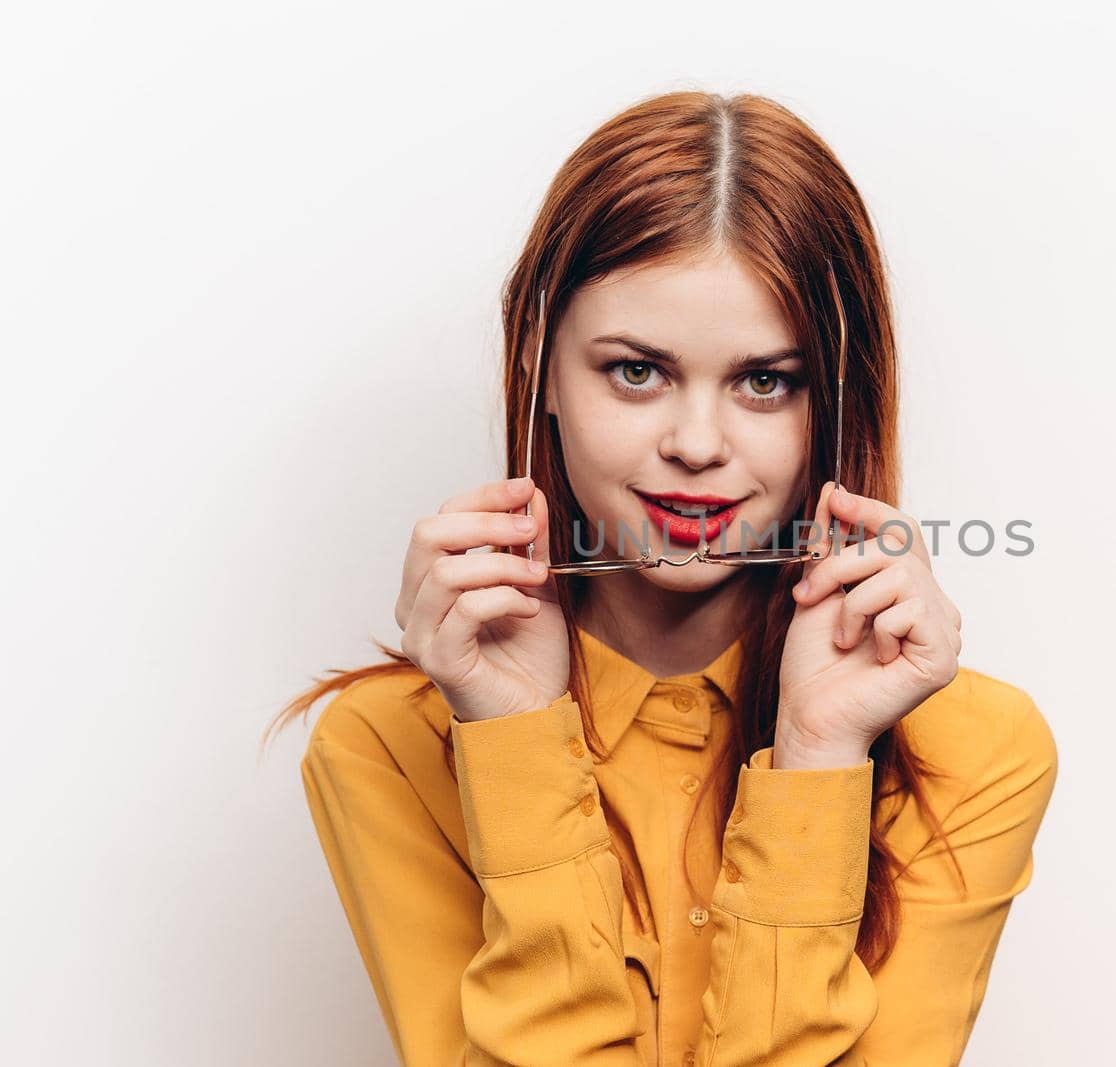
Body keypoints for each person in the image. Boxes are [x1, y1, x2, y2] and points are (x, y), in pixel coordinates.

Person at [271, 89, 1059, 1066]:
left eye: (765, 381)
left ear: (836, 399)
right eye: (636, 371)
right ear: (538, 360)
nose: (696, 445)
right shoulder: (391, 744)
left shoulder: (972, 748)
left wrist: (819, 753)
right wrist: (513, 741)